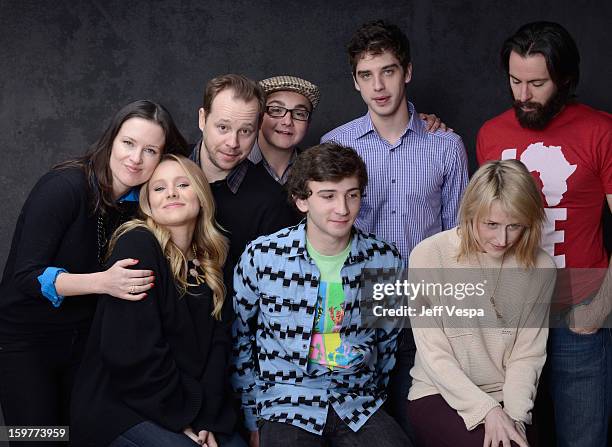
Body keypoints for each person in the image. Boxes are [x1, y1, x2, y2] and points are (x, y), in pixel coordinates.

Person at [0, 100, 187, 442]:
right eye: (128, 143)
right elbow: (25, 276)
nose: (136, 158)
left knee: (76, 437)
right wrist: (103, 282)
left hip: (83, 345)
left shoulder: (140, 207)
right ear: (111, 139)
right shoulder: (64, 187)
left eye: (150, 150)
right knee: (36, 438)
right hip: (25, 342)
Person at [320, 19, 469, 434]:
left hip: (422, 314)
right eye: (366, 75)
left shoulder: (446, 146)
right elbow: (324, 236)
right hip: (354, 313)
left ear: (407, 72)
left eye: (387, 71)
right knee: (358, 429)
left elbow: (459, 238)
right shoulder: (338, 146)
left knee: (415, 426)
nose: (378, 86)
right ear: (355, 82)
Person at [476, 21, 611, 446]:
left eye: (537, 83)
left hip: (579, 314)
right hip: (510, 319)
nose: (523, 95)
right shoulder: (491, 134)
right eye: (515, 81)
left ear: (565, 79)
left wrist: (601, 306)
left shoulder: (601, 131)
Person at [232, 143, 412, 447]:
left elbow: (388, 346)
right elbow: (240, 341)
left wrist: (376, 400)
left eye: (352, 195)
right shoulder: (262, 256)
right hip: (286, 404)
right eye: (328, 196)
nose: (342, 209)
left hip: (357, 403)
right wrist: (252, 417)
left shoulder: (384, 260)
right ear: (302, 200)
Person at [71, 155, 244, 447]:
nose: (172, 193)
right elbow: (132, 353)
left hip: (185, 404)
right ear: (148, 202)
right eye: (159, 188)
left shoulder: (212, 259)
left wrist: (205, 420)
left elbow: (219, 346)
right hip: (122, 406)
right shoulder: (138, 244)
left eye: (183, 184)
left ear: (201, 196)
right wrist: (180, 420)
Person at [406, 160, 557, 447]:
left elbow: (527, 356)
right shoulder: (428, 255)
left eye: (515, 226)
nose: (502, 239)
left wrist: (513, 416)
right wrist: (486, 411)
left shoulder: (541, 267)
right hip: (438, 393)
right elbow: (434, 354)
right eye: (491, 224)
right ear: (471, 212)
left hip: (508, 395)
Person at [189, 74, 299, 268]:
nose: (233, 143)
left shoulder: (272, 201)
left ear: (257, 129)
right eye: (223, 127)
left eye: (245, 131)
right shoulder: (164, 168)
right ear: (202, 119)